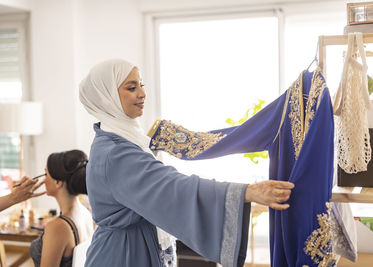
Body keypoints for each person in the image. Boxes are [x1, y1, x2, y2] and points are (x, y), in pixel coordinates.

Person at [79, 59, 294, 267]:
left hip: (134, 246)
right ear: (107, 96)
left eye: (141, 85)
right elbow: (170, 186)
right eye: (131, 87)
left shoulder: (122, 139)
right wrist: (246, 192)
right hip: (123, 256)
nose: (143, 94)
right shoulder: (115, 153)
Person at [29, 150, 95, 267]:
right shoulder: (86, 213)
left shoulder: (58, 227)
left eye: (46, 174)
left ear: (58, 182)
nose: (43, 180)